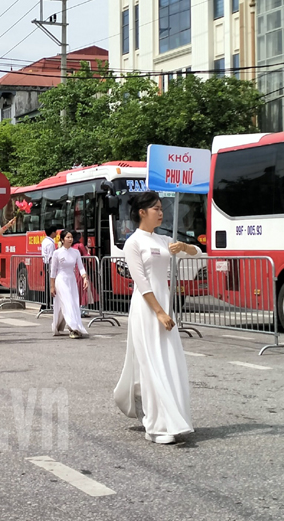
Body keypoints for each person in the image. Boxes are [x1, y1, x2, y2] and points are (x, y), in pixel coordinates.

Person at [113, 191, 200, 445]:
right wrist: (160, 311)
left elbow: (198, 252)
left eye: (162, 208)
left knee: (170, 362)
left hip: (165, 306)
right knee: (152, 364)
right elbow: (141, 282)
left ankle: (172, 418)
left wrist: (183, 247)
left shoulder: (164, 239)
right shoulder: (133, 243)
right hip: (147, 308)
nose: (161, 213)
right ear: (142, 212)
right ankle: (154, 426)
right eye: (156, 209)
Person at [49, 230, 89, 339]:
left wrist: (85, 278)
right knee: (68, 302)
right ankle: (73, 327)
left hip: (71, 280)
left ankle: (72, 325)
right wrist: (52, 286)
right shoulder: (57, 253)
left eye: (71, 237)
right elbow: (53, 271)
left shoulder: (75, 252)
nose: (70, 239)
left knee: (74, 303)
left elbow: (81, 267)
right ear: (62, 239)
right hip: (61, 280)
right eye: (67, 237)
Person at [40, 224, 58, 308]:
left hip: (46, 264)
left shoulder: (45, 241)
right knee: (51, 284)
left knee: (48, 284)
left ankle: (46, 304)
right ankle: (47, 304)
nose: (56, 234)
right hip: (50, 265)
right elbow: (51, 256)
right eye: (55, 232)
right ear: (52, 233)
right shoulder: (50, 243)